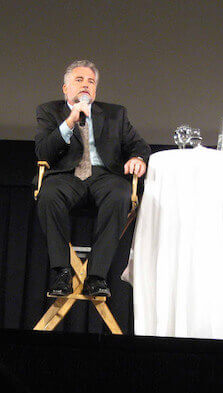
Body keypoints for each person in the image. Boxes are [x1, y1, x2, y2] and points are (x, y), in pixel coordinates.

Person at [35, 59, 150, 297]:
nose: (86, 85)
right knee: (48, 194)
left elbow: (138, 144)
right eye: (79, 80)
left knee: (121, 194)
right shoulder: (49, 111)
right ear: (65, 88)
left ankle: (96, 276)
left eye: (91, 81)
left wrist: (137, 158)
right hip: (67, 175)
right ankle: (62, 272)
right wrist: (70, 121)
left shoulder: (115, 113)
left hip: (105, 175)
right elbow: (43, 152)